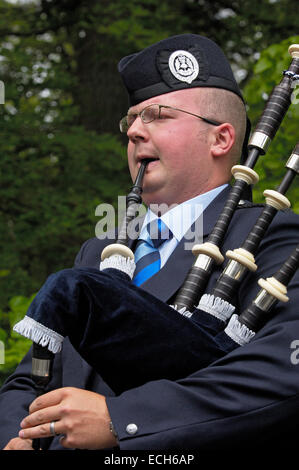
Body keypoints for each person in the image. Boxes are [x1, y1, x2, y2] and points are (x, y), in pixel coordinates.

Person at [1, 34, 299, 451]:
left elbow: (281, 371)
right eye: (131, 120)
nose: (135, 131)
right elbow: (30, 374)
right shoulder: (98, 252)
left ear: (221, 139)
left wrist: (120, 420)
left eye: (157, 115)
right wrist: (16, 437)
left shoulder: (273, 238)